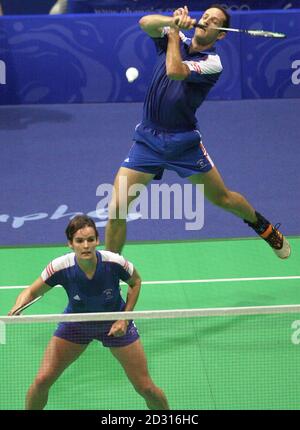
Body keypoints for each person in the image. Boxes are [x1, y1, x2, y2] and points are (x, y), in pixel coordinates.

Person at [105, 4, 290, 259]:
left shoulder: (212, 63)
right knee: (116, 211)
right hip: (148, 140)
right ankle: (110, 276)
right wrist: (172, 21)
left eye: (214, 21)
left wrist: (171, 32)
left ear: (221, 33)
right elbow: (145, 22)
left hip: (184, 143)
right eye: (205, 16)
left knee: (222, 198)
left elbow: (175, 71)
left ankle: (263, 226)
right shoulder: (178, 36)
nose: (206, 21)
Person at [8, 215, 169, 410]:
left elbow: (136, 282)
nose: (86, 245)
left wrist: (124, 318)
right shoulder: (60, 266)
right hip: (77, 323)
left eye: (90, 240)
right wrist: (16, 309)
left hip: (114, 322)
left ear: (97, 241)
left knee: (145, 388)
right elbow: (31, 291)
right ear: (70, 244)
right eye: (79, 241)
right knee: (42, 380)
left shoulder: (114, 262)